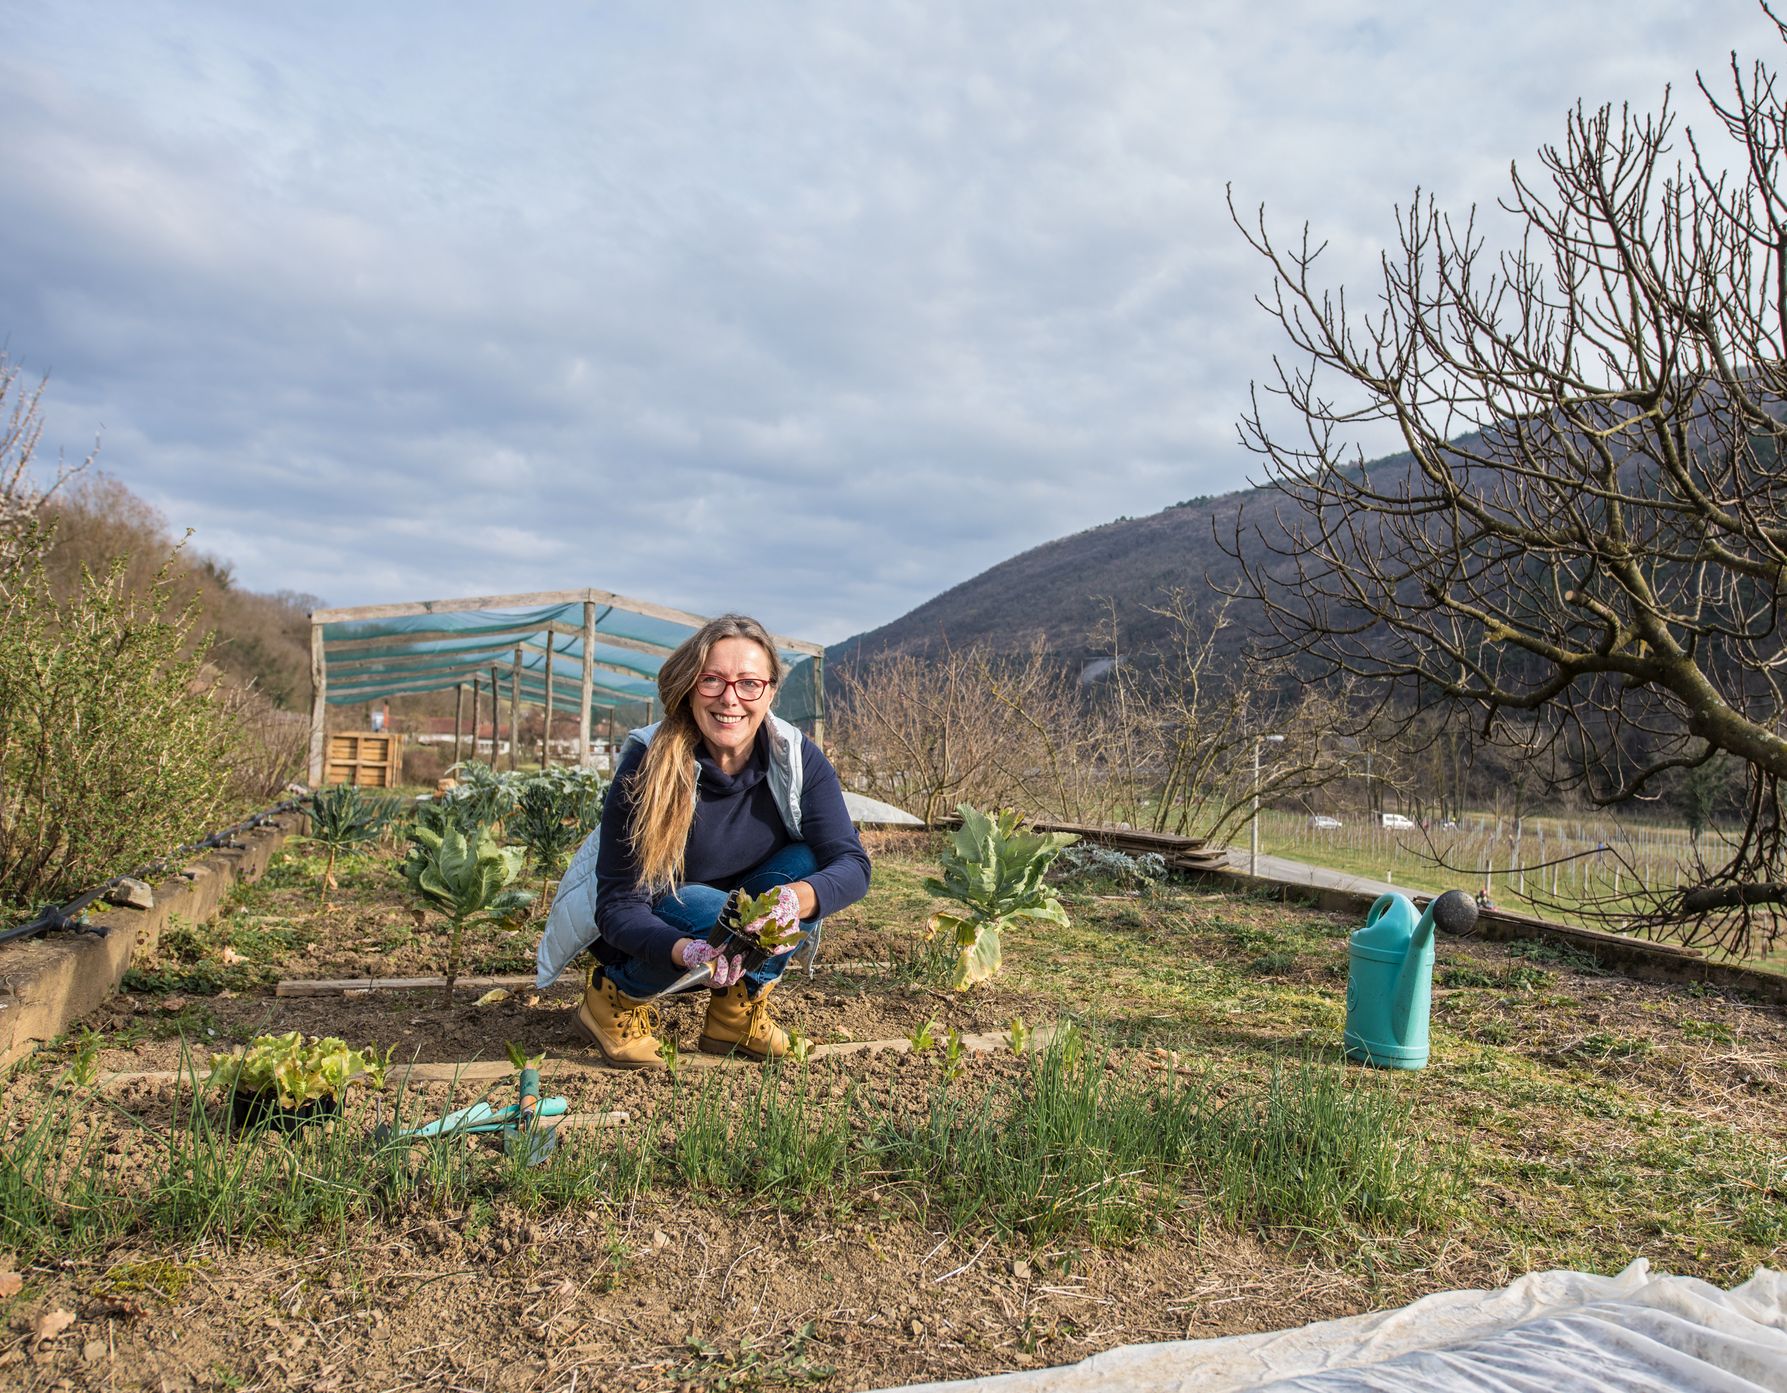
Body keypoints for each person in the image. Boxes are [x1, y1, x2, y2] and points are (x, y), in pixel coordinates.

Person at [542, 614, 871, 1068]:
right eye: (712, 680)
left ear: (771, 690)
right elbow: (618, 906)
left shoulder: (795, 757)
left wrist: (796, 899)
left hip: (733, 909)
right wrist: (684, 951)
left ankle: (734, 1013)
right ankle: (612, 997)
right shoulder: (648, 764)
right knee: (712, 912)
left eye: (748, 683)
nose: (730, 699)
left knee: (812, 863)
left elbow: (852, 863)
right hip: (655, 922)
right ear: (689, 687)